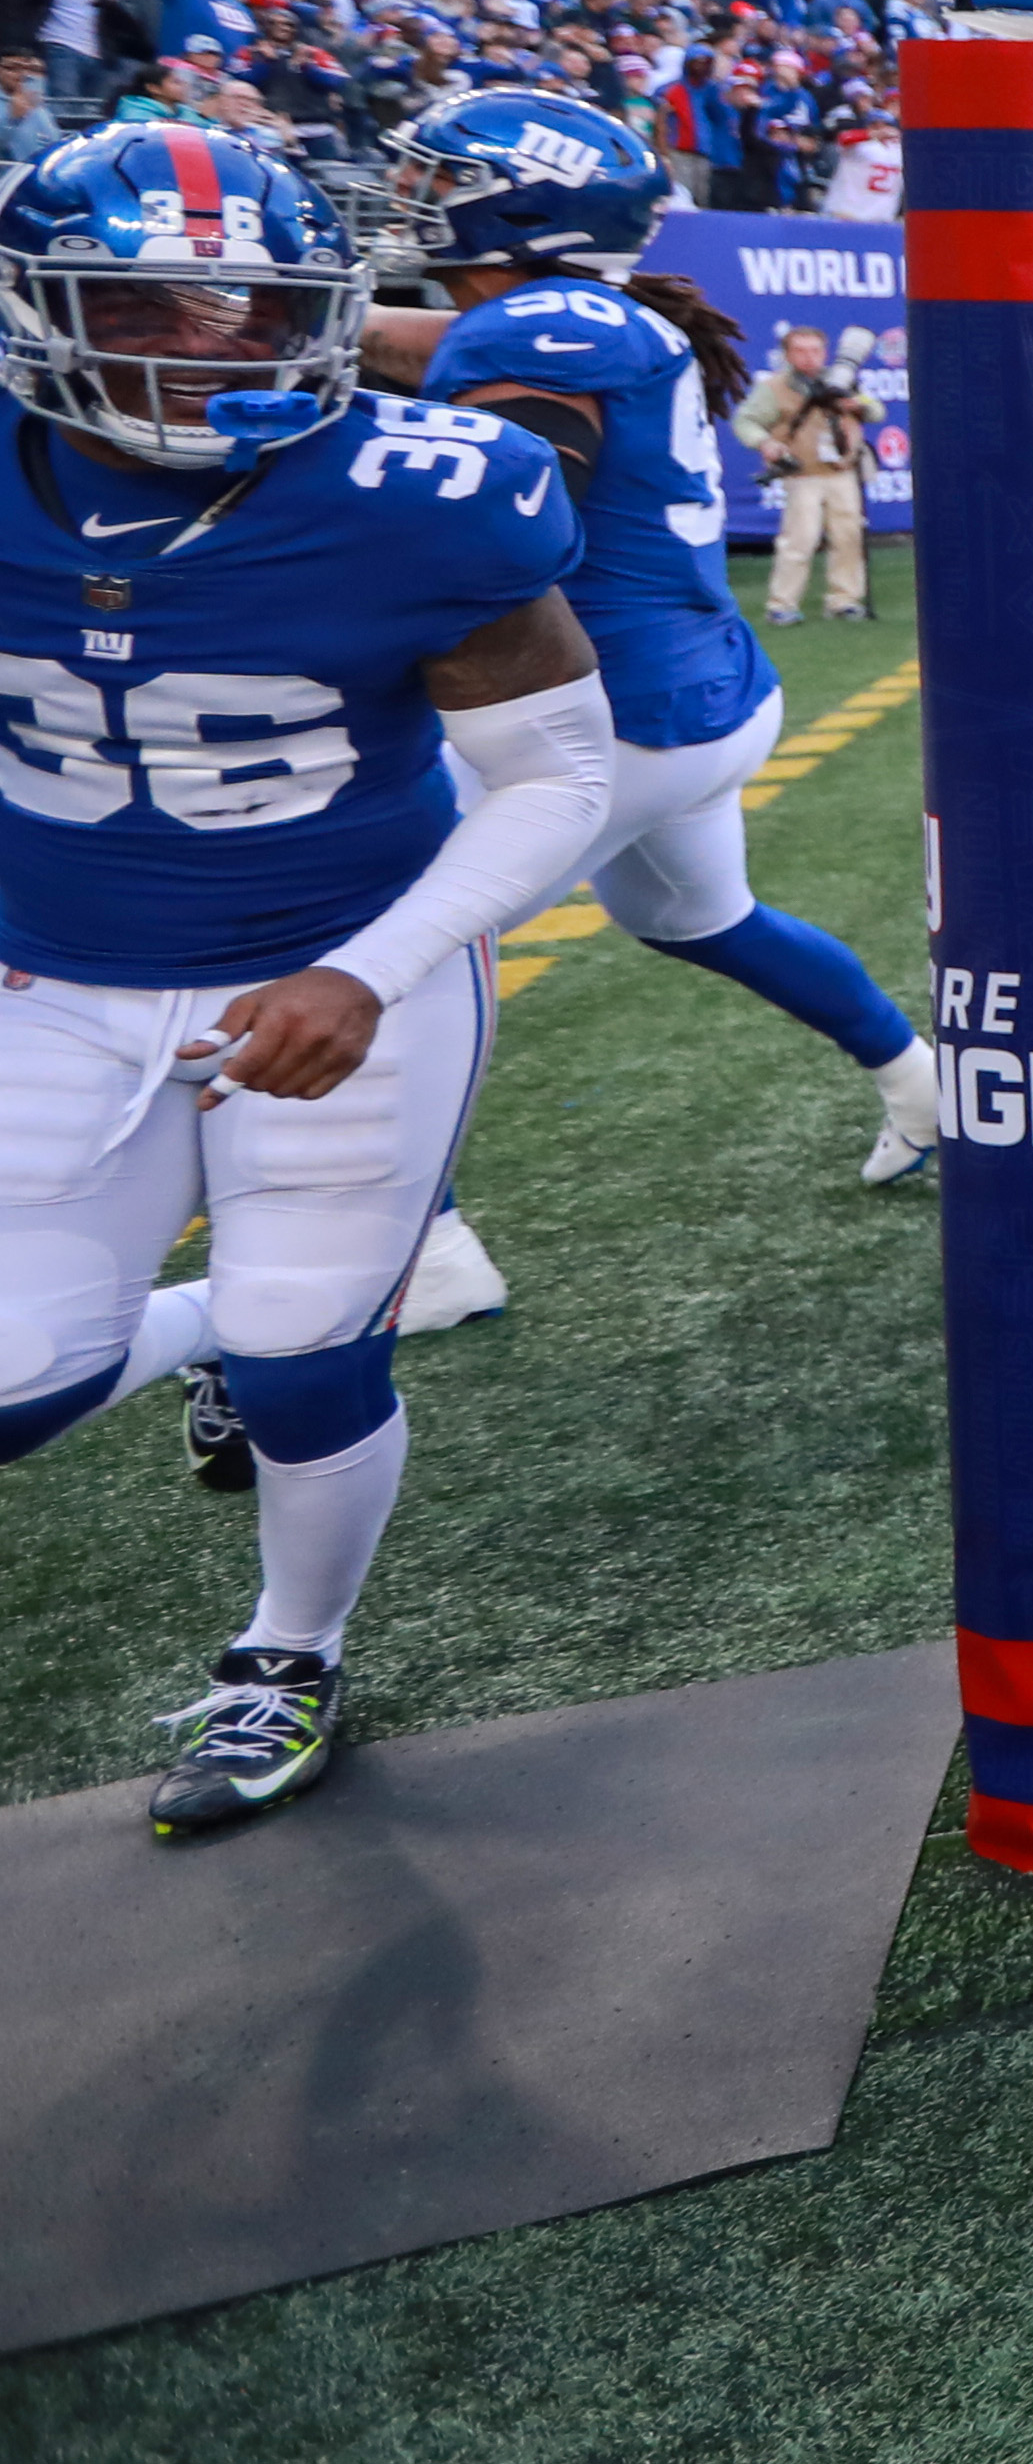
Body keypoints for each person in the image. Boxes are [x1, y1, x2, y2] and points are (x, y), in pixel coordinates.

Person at [0, 122, 616, 1832]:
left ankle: (289, 1650)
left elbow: (560, 774)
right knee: (16, 1385)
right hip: (53, 973)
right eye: (162, 303)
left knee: (304, 1356)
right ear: (46, 308)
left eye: (261, 304)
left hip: (349, 966)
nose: (226, 343)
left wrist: (368, 963)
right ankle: (215, 1328)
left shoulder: (422, 489)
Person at [374, 90, 939, 1193]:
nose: (412, 196)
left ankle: (420, 1248)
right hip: (700, 689)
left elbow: (492, 532)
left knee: (378, 956)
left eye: (439, 179)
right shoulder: (574, 316)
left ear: (524, 210)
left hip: (607, 718)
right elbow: (413, 347)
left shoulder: (537, 330)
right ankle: (919, 1081)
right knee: (695, 916)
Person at [740, 319, 875, 622]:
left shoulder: (843, 381)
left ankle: (844, 600)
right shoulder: (775, 388)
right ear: (787, 355)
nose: (809, 357)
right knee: (799, 540)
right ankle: (782, 604)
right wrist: (765, 443)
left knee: (848, 538)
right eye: (800, 351)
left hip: (842, 472)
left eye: (814, 350)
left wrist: (856, 405)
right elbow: (745, 421)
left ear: (825, 352)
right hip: (803, 474)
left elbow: (875, 409)